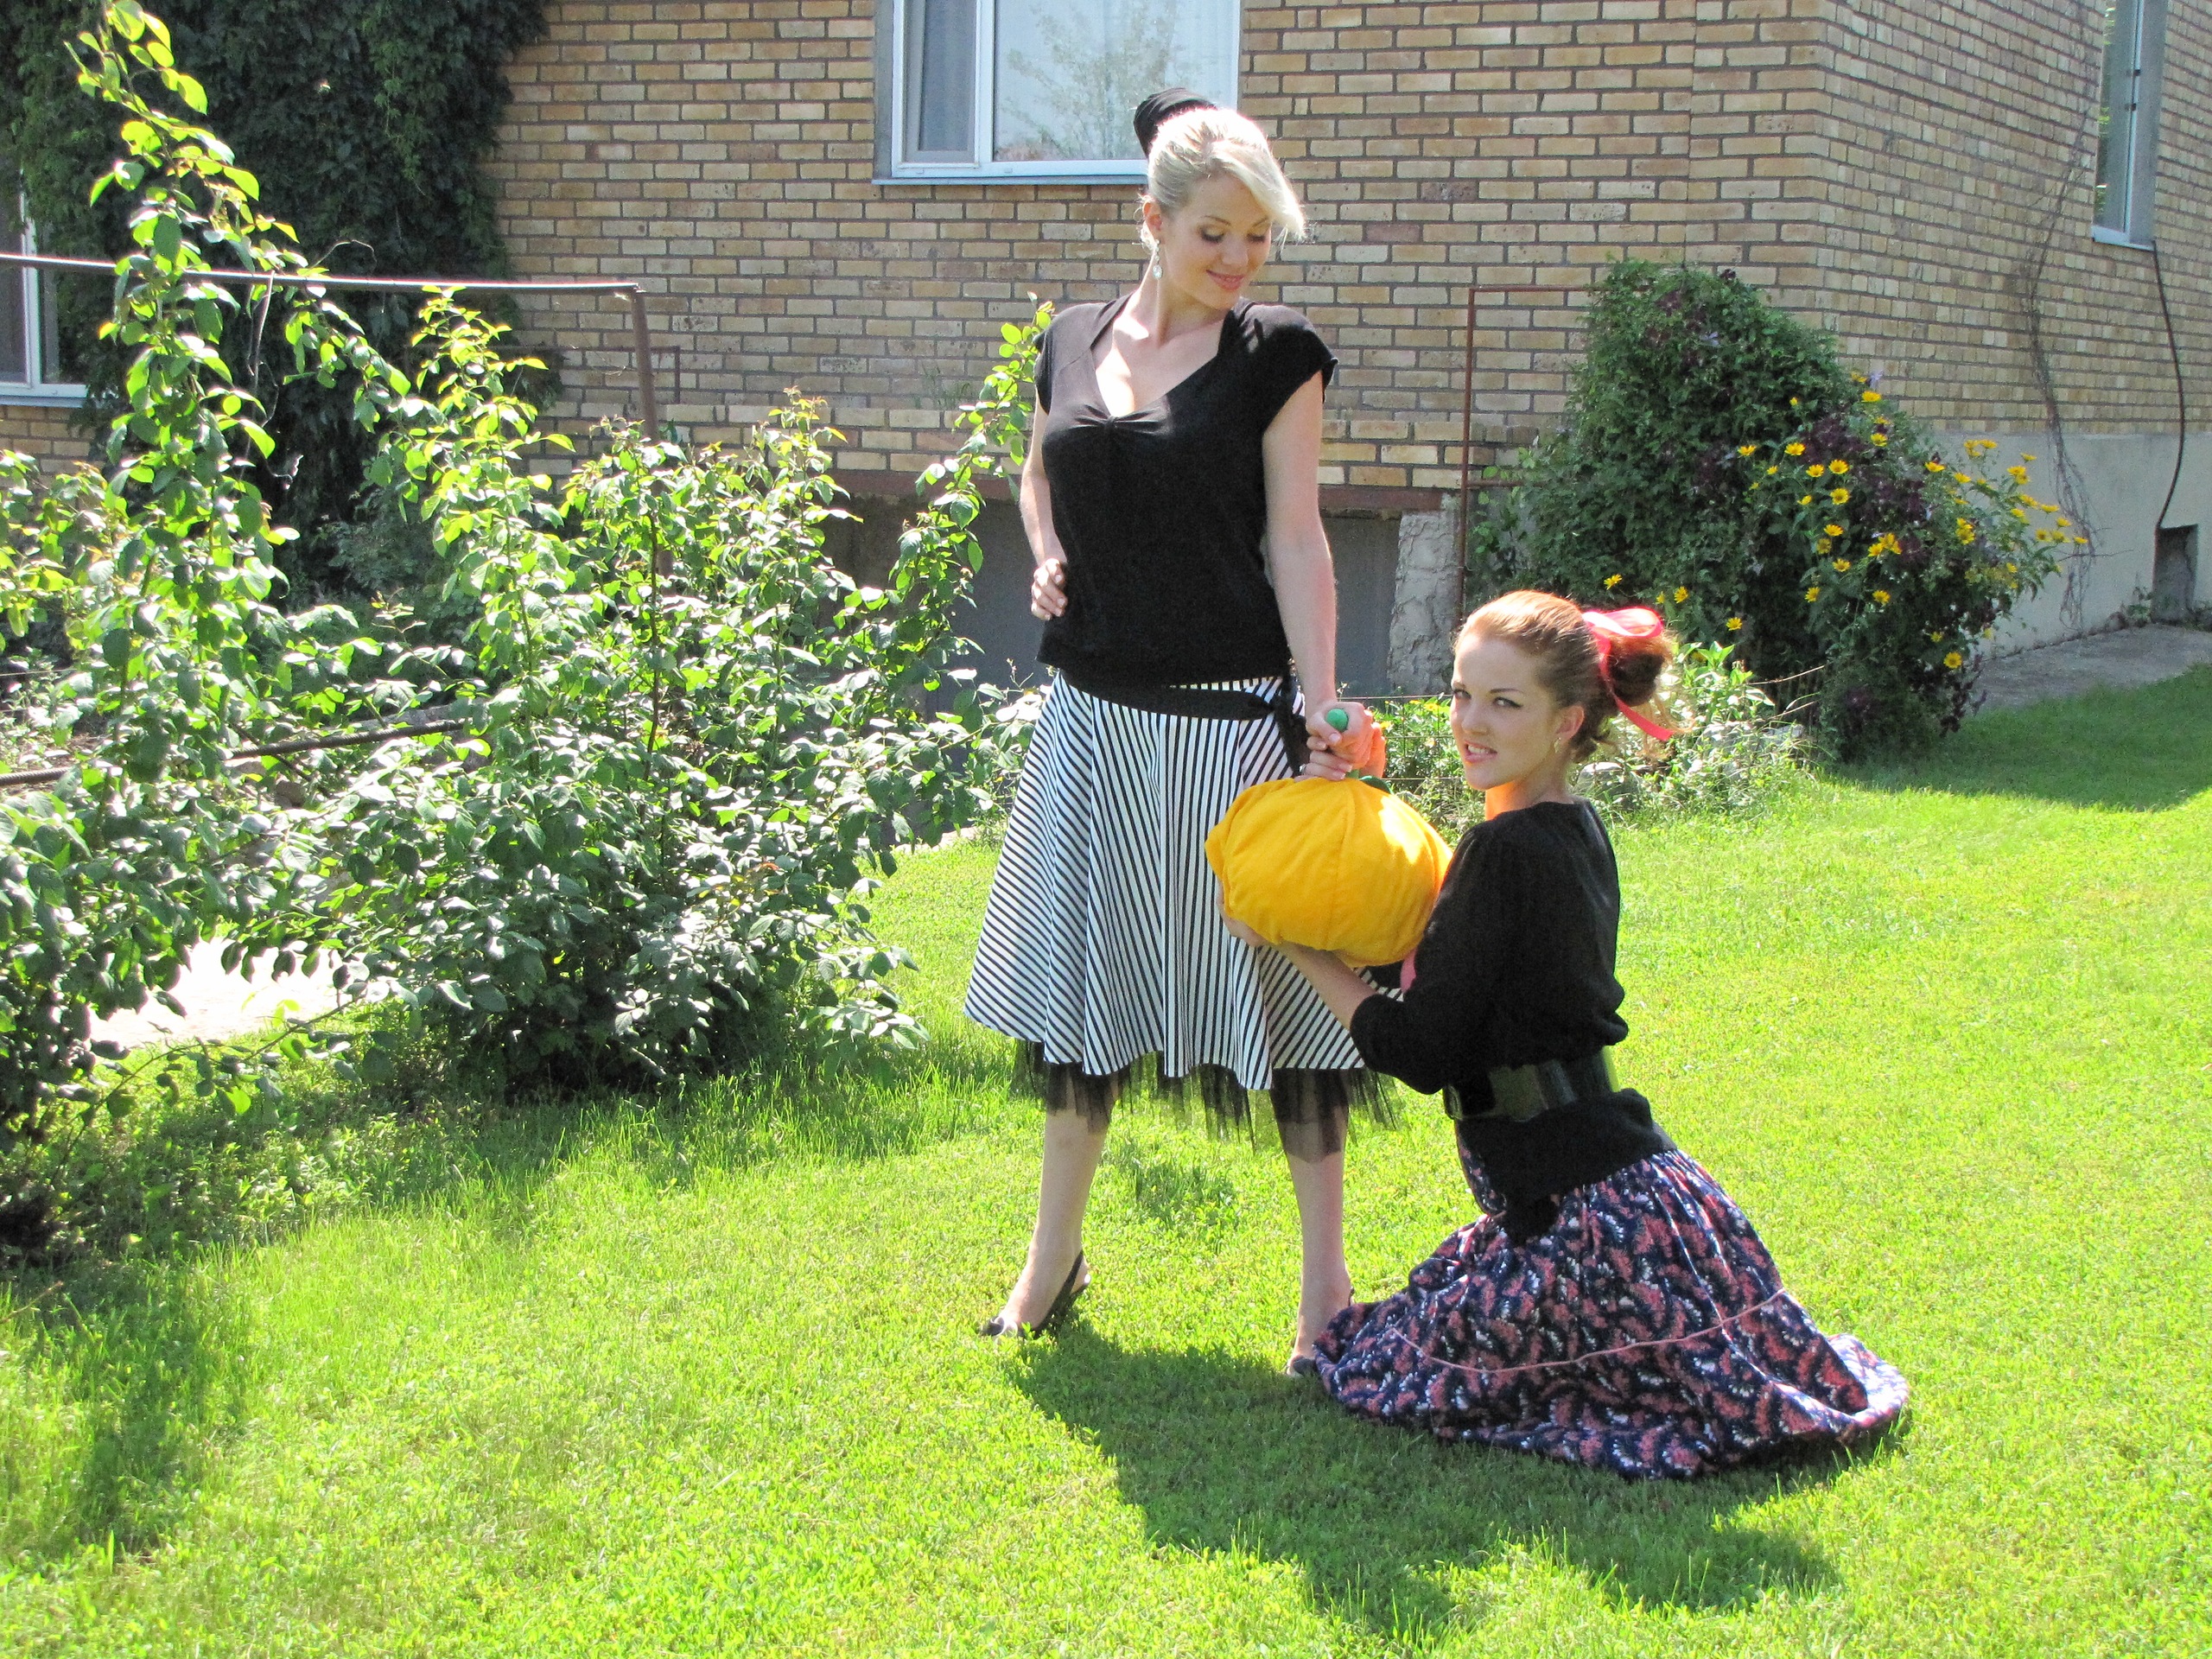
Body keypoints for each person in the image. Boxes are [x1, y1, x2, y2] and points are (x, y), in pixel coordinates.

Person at [1231, 592, 1908, 1477]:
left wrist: (1292, 938)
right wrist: (1359, 800)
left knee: (1384, 1372)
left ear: (1567, 722)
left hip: (1589, 1231)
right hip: (1636, 1205)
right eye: (1461, 694)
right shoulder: (1570, 830)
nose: (1470, 722)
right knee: (1400, 1341)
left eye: (1504, 703)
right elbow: (1453, 951)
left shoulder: (1505, 852)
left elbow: (1421, 1051)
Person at [967, 95, 1387, 1367]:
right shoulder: (1070, 336)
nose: (1239, 259)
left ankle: (1325, 1296)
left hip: (1230, 731)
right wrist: (1048, 550)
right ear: (1150, 220)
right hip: (1092, 724)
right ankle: (1049, 1264)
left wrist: (1321, 704)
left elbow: (1297, 536)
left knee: (1292, 1009)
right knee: (1083, 997)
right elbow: (1040, 468)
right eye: (1215, 232)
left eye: (1258, 237)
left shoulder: (1276, 353)